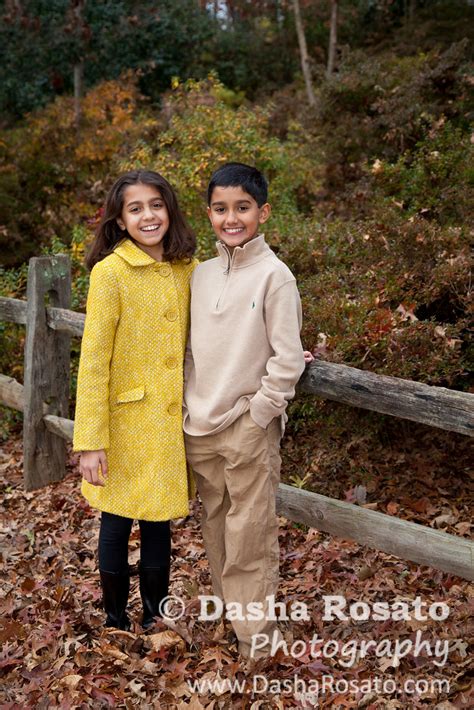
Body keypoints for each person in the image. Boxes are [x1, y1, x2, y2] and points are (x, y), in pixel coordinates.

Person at [183, 162, 311, 658]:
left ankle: (257, 642)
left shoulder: (275, 276)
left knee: (250, 534)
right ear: (209, 213)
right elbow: (191, 349)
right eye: (220, 209)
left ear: (263, 212)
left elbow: (286, 358)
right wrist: (189, 404)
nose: (231, 218)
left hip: (247, 428)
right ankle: (231, 616)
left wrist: (260, 412)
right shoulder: (200, 274)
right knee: (216, 526)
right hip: (199, 424)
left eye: (242, 208)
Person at [73, 170, 197, 631]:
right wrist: (89, 440)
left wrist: (279, 346)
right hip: (124, 422)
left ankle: (154, 615)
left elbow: (223, 326)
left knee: (160, 521)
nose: (149, 215)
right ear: (120, 220)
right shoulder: (110, 274)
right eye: (136, 208)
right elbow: (93, 361)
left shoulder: (189, 268)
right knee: (117, 519)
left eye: (156, 205)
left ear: (169, 209)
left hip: (169, 422)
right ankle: (114, 618)